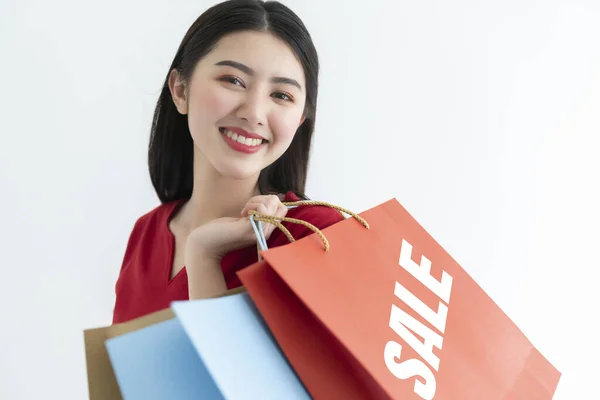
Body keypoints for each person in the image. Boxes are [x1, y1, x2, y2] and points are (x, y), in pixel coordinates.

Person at [112, 0, 345, 324]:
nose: (253, 112)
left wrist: (204, 256)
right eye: (233, 80)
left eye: (281, 95)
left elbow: (250, 376)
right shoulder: (147, 232)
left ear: (301, 118)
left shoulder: (317, 235)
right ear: (180, 90)